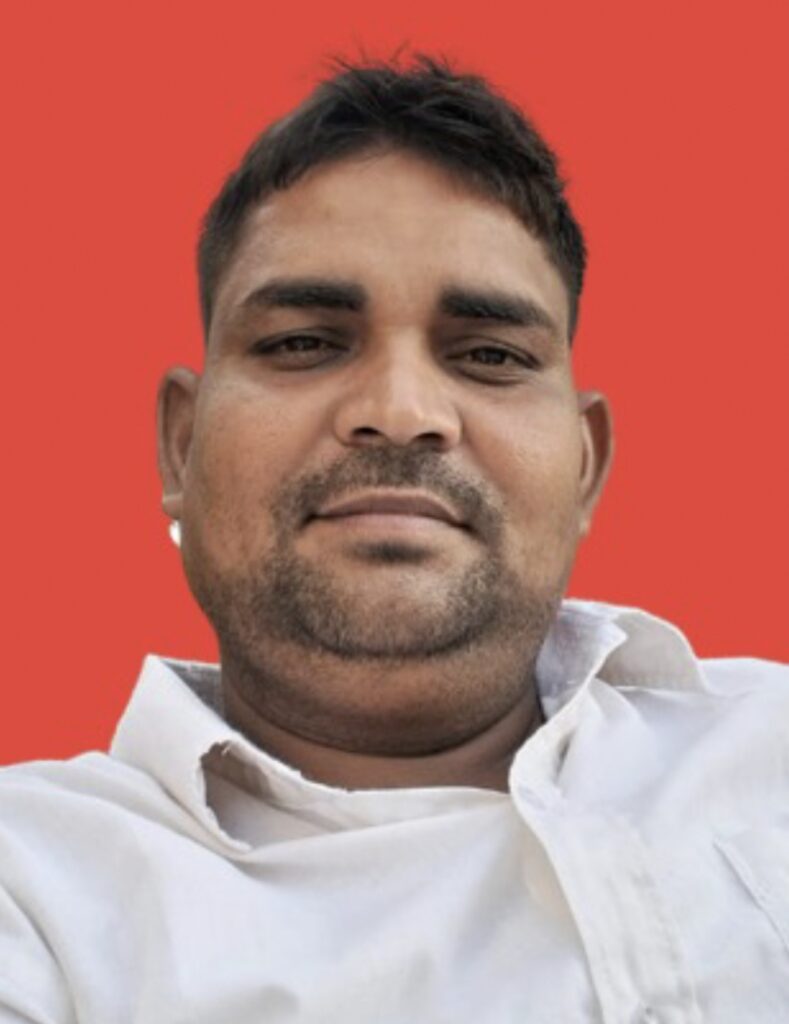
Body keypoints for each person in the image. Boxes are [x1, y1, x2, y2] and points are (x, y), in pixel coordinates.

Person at [0, 55, 786, 1024]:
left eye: (489, 355)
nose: (403, 410)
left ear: (584, 466)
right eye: (303, 342)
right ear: (182, 444)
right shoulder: (32, 892)